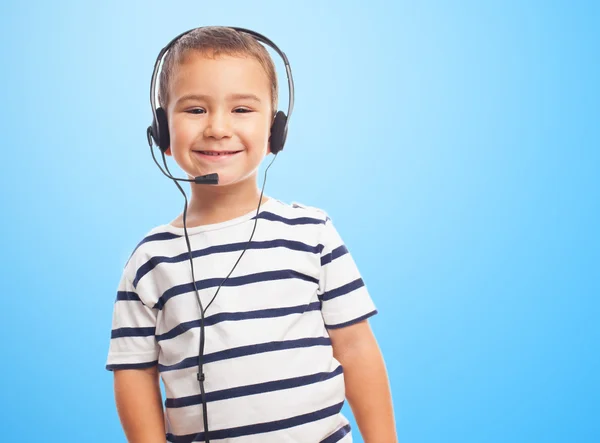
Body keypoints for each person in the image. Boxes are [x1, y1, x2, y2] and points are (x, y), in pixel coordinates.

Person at [106, 26, 397, 443]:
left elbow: (355, 349)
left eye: (242, 109)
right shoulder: (151, 261)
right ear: (163, 133)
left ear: (276, 131)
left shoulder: (312, 233)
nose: (218, 128)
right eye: (195, 110)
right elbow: (135, 371)